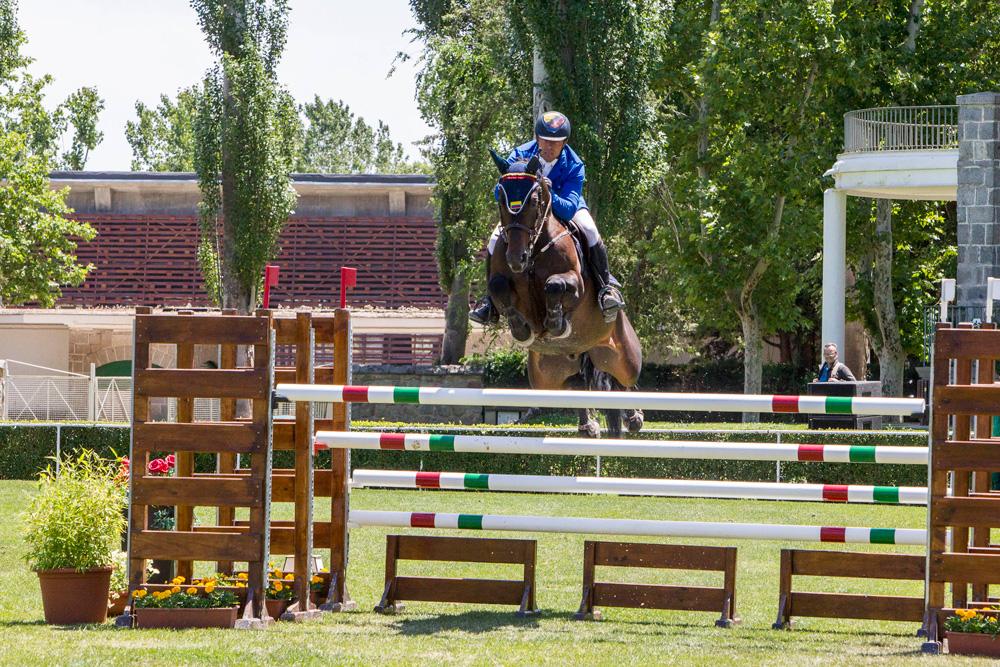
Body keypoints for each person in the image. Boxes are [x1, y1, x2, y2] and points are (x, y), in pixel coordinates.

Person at [469, 110, 625, 325]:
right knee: (495, 238)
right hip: (526, 211)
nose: (550, 147)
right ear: (537, 138)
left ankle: (605, 289)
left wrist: (547, 192)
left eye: (557, 142)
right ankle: (488, 302)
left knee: (590, 230)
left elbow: (569, 208)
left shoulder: (574, 164)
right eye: (546, 141)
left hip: (564, 205)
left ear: (565, 142)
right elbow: (499, 193)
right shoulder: (518, 154)